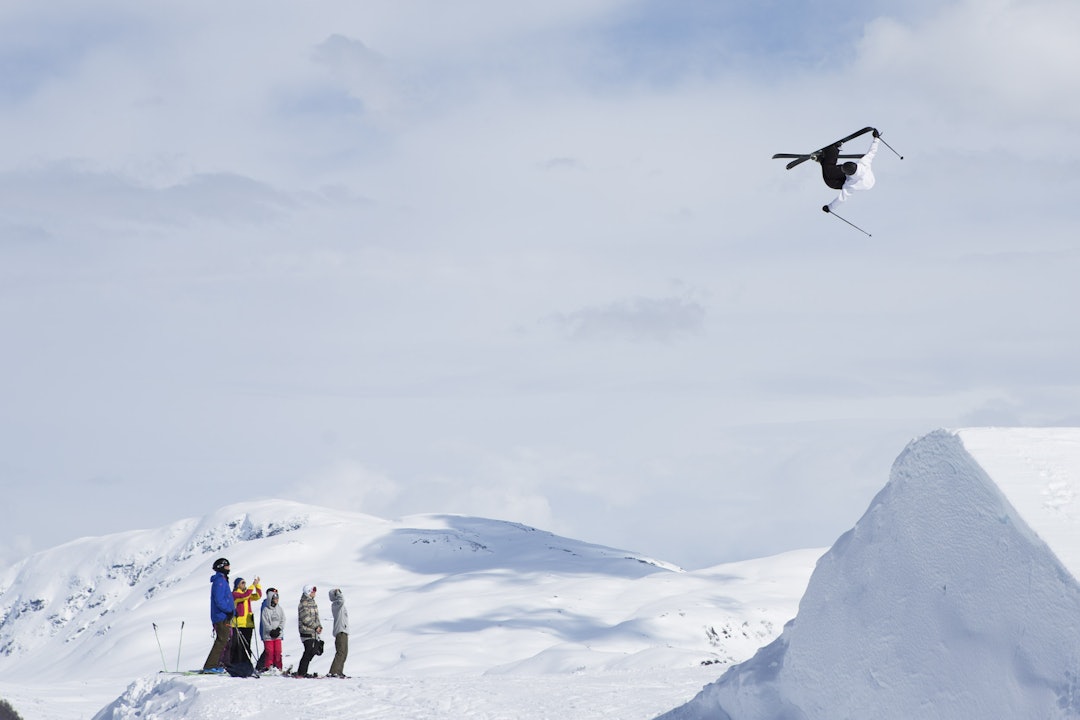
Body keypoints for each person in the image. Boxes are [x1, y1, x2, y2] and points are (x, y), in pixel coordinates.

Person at [818, 129, 880, 213]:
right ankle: (833, 150)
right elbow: (872, 152)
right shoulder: (864, 162)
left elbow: (841, 199)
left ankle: (824, 160)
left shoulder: (852, 186)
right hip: (858, 175)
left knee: (830, 182)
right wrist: (876, 138)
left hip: (858, 183)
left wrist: (830, 207)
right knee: (830, 172)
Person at [202, 557, 234, 672]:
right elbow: (219, 600)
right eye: (227, 566)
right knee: (222, 640)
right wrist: (228, 610)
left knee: (224, 640)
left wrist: (232, 611)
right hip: (221, 616)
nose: (229, 568)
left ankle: (215, 664)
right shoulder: (220, 581)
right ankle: (210, 666)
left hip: (223, 615)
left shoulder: (222, 580)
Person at [230, 575, 262, 664]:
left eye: (245, 582)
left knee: (247, 644)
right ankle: (235, 662)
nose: (244, 584)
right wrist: (253, 585)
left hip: (248, 624)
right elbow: (244, 596)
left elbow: (258, 596)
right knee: (238, 645)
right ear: (237, 585)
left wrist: (257, 585)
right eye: (242, 583)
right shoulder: (235, 594)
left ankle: (246, 662)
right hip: (238, 624)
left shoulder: (247, 594)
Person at [295, 585, 323, 677]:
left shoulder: (313, 602)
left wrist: (319, 626)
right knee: (308, 650)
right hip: (306, 631)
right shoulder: (304, 603)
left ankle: (303, 671)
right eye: (313, 591)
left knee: (314, 650)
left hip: (313, 631)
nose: (314, 592)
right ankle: (302, 672)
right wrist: (315, 627)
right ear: (308, 592)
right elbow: (305, 618)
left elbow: (316, 616)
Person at [258, 587, 285, 672]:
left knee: (278, 651)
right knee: (269, 652)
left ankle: (278, 667)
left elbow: (283, 619)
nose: (277, 600)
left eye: (277, 598)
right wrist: (270, 630)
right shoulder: (265, 609)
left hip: (278, 634)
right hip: (268, 635)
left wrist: (279, 629)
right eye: (275, 598)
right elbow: (264, 621)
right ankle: (268, 666)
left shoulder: (279, 608)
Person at [327, 588, 350, 678]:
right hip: (340, 631)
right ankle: (334, 671)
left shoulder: (339, 605)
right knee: (340, 652)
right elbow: (341, 600)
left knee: (344, 652)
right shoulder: (336, 604)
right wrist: (337, 593)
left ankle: (339, 671)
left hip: (344, 630)